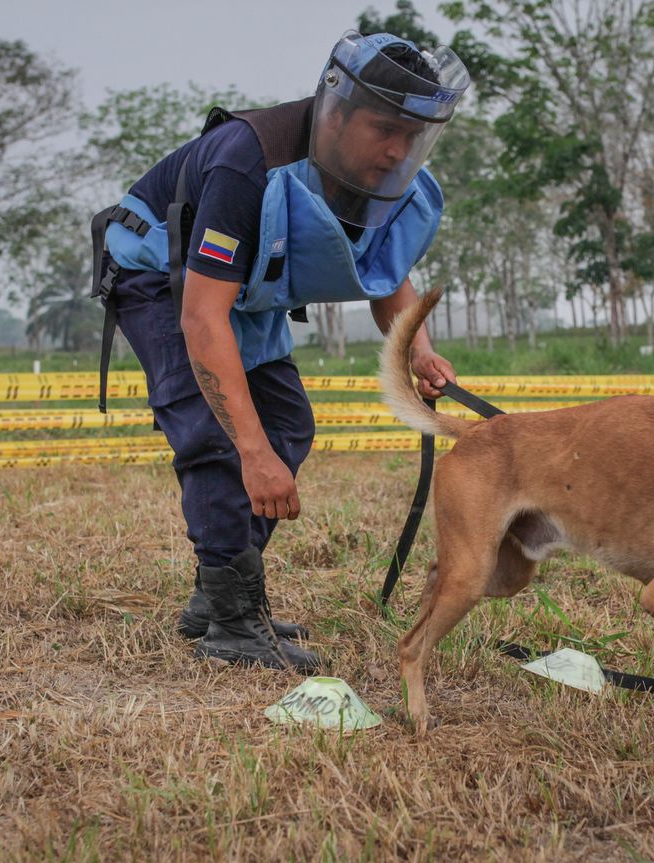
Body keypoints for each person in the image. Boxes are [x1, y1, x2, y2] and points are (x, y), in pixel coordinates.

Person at [92, 30, 469, 673]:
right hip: (161, 275)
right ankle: (234, 623)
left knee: (288, 424)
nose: (396, 150)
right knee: (221, 436)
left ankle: (215, 597)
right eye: (385, 128)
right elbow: (202, 317)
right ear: (339, 110)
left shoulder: (370, 171)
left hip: (243, 290)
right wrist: (252, 451)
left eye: (411, 135)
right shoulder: (247, 162)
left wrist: (419, 351)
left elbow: (384, 269)